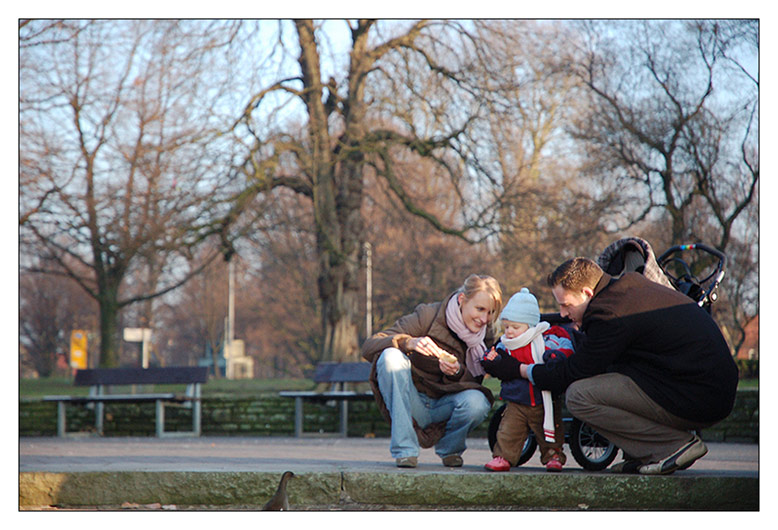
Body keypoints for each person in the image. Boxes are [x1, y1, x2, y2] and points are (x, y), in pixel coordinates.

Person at [486, 257, 738, 474]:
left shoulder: (609, 313)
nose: (562, 314)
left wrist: (517, 369)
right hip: (705, 386)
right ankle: (645, 454)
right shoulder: (627, 289)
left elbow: (571, 373)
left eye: (566, 305)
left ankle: (673, 445)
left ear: (587, 293)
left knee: (580, 396)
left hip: (699, 395)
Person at [361, 274, 502, 468]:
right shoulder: (428, 315)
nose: (484, 319)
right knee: (390, 357)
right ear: (462, 300)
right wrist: (408, 342)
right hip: (414, 400)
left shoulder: (486, 336)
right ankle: (405, 451)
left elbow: (476, 384)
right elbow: (369, 346)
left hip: (447, 404)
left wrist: (457, 372)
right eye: (480, 309)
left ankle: (450, 449)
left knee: (478, 403)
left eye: (490, 312)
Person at [481, 288, 574, 473]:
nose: (510, 332)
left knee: (550, 432)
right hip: (516, 400)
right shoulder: (504, 344)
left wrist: (555, 356)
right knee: (508, 432)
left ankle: (553, 455)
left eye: (516, 327)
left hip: (543, 400)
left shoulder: (545, 339)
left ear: (530, 325)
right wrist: (490, 359)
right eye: (507, 327)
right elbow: (489, 356)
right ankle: (503, 456)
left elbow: (566, 347)